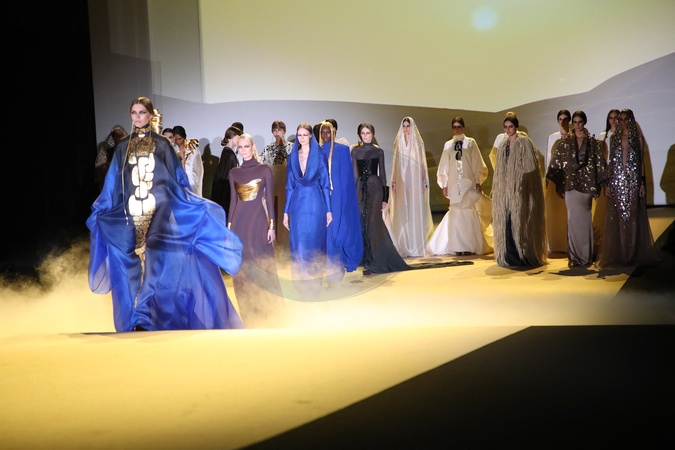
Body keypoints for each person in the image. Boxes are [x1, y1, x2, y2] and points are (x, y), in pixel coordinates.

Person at [87, 96, 244, 331]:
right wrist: (103, 209)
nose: (138, 117)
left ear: (150, 115)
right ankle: (134, 317)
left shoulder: (162, 145)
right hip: (131, 214)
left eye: (142, 112)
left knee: (155, 264)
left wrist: (188, 205)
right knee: (130, 266)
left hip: (158, 213)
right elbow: (113, 184)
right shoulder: (122, 147)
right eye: (134, 113)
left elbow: (177, 180)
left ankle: (144, 318)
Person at [228, 134, 285, 327]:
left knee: (262, 264)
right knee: (242, 268)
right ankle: (249, 312)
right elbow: (233, 201)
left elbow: (269, 199)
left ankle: (270, 311)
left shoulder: (264, 170)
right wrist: (229, 228)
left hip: (259, 222)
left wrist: (272, 226)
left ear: (253, 147)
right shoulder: (234, 172)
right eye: (240, 147)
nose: (243, 150)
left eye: (246, 146)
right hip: (239, 224)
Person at [597, 109, 660, 268]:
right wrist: (608, 183)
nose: (623, 122)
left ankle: (632, 254)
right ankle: (622, 253)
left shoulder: (637, 138)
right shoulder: (614, 139)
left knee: (632, 217)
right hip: (617, 181)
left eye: (626, 119)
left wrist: (642, 183)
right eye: (621, 119)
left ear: (631, 120)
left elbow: (641, 161)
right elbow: (611, 161)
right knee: (618, 218)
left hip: (633, 181)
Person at [547, 110, 608, 268]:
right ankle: (574, 256)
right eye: (575, 122)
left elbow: (600, 163)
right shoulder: (565, 142)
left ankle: (586, 256)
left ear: (584, 122)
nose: (577, 125)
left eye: (580, 122)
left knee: (585, 218)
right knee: (572, 219)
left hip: (587, 185)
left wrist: (601, 184)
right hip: (571, 185)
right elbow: (556, 162)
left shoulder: (593, 143)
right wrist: (559, 183)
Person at [427, 117, 493, 256]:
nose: (457, 129)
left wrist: (477, 181)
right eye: (454, 127)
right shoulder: (448, 145)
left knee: (468, 210)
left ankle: (469, 245)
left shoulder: (470, 143)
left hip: (468, 182)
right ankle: (457, 246)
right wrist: (444, 184)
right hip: (453, 183)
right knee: (456, 212)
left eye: (459, 126)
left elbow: (477, 162)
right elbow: (444, 165)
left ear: (463, 127)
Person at [352, 123, 410, 275]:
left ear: (373, 134)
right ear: (359, 135)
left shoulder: (378, 151)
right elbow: (355, 176)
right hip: (360, 188)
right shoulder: (355, 152)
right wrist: (354, 195)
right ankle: (366, 258)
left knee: (373, 222)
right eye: (363, 133)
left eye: (368, 133)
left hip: (376, 188)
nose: (366, 136)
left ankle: (373, 261)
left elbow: (383, 174)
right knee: (363, 222)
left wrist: (385, 197)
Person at [283, 123, 332, 298]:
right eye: (299, 135)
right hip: (297, 204)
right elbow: (289, 186)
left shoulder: (319, 155)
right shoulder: (292, 156)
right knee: (299, 243)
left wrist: (328, 210)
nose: (302, 138)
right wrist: (285, 212)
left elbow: (325, 184)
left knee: (314, 241)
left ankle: (315, 283)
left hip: (315, 202)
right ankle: (300, 283)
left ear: (311, 135)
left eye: (305, 135)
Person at [492, 113, 547, 268]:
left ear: (516, 127)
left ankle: (522, 255)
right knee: (507, 221)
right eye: (506, 127)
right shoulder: (503, 145)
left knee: (520, 222)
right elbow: (500, 168)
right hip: (506, 191)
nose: (508, 130)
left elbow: (531, 166)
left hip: (521, 190)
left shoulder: (524, 142)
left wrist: (521, 182)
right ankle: (509, 256)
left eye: (511, 127)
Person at [318, 121, 363, 283]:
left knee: (336, 230)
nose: (325, 135)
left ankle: (336, 270)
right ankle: (328, 270)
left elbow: (347, 178)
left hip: (337, 197)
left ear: (333, 133)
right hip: (321, 198)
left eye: (328, 132)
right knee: (325, 233)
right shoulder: (316, 150)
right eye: (322, 132)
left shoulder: (342, 150)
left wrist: (346, 201)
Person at [388, 116, 433, 257]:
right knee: (402, 210)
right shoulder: (398, 143)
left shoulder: (418, 143)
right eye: (404, 126)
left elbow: (422, 163)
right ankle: (403, 242)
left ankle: (415, 244)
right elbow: (395, 164)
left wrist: (424, 181)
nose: (406, 128)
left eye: (408, 126)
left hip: (415, 181)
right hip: (401, 181)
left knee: (414, 209)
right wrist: (394, 182)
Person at [259, 120, 294, 257]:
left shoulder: (292, 147)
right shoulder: (268, 149)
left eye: (279, 129)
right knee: (274, 218)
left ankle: (288, 252)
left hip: (288, 187)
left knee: (288, 218)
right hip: (273, 187)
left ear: (284, 131)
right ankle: (277, 251)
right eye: (275, 130)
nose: (277, 132)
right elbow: (262, 169)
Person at [544, 110, 571, 255]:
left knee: (568, 211)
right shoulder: (552, 137)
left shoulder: (574, 136)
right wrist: (547, 177)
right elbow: (549, 158)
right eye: (560, 119)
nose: (563, 122)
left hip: (570, 177)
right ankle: (556, 243)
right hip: (555, 177)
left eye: (565, 119)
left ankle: (569, 243)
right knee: (555, 211)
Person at [593, 109, 620, 254]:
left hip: (619, 175)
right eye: (611, 118)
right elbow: (599, 158)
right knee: (603, 210)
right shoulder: (603, 136)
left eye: (616, 118)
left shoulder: (623, 135)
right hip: (605, 176)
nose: (613, 120)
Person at [211, 125, 242, 219]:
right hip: (226, 191)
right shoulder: (229, 155)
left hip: (224, 189)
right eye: (238, 137)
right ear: (233, 136)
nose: (239, 140)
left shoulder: (227, 152)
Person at [173, 125, 204, 196]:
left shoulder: (192, 149)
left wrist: (197, 183)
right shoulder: (173, 148)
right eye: (176, 139)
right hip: (176, 179)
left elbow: (199, 169)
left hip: (191, 180)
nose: (178, 141)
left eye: (180, 139)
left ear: (184, 137)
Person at [94, 125, 127, 191]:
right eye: (115, 136)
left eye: (120, 136)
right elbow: (99, 169)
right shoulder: (108, 151)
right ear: (112, 137)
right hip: (111, 183)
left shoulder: (128, 151)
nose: (118, 138)